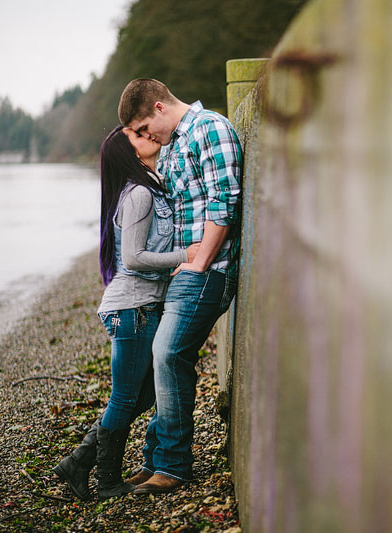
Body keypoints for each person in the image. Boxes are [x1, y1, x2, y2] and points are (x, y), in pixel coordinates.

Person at [53, 126, 198, 500]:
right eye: (136, 134)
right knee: (124, 398)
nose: (146, 133)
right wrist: (188, 256)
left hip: (141, 307)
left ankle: (79, 462)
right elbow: (133, 259)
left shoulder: (152, 188)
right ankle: (106, 482)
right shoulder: (139, 195)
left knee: (144, 396)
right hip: (132, 309)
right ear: (129, 153)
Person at [117, 78, 242, 494]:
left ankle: (173, 465)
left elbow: (225, 201)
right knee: (162, 357)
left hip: (210, 271)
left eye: (142, 128)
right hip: (185, 273)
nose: (144, 137)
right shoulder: (171, 147)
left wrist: (199, 262)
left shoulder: (211, 128)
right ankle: (156, 459)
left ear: (157, 106)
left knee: (168, 353)